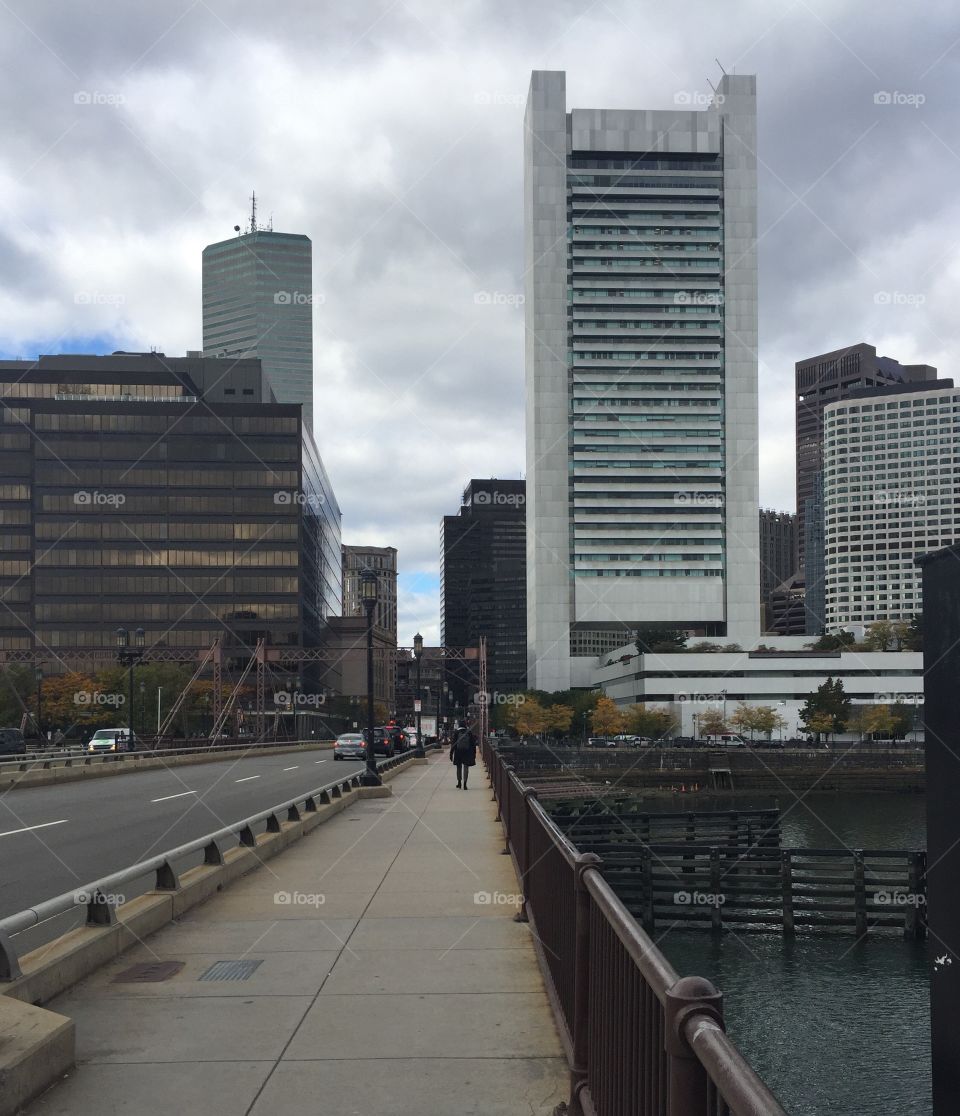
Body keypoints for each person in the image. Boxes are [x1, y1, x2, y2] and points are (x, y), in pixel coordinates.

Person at [449, 720, 478, 789]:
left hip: (458, 752)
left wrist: (451, 753)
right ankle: (465, 784)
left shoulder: (456, 732)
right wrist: (474, 753)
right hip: (467, 752)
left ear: (459, 725)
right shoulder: (469, 732)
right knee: (466, 767)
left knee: (459, 767)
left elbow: (453, 744)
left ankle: (459, 783)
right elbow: (473, 744)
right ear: (465, 725)